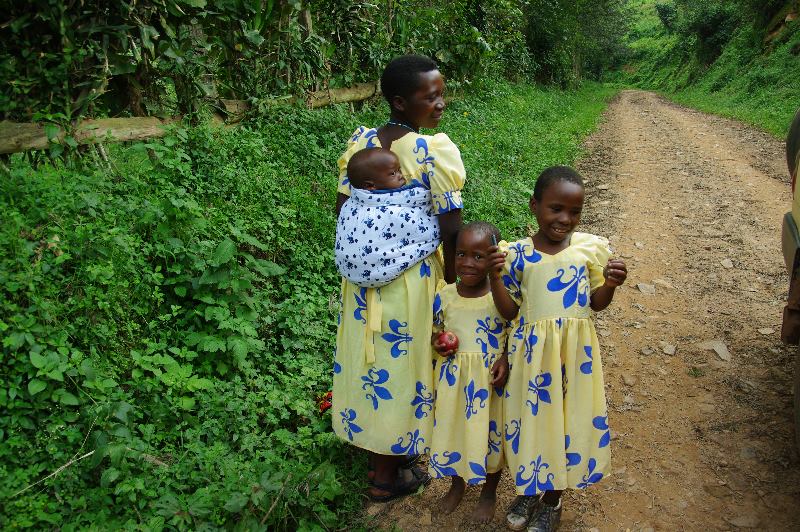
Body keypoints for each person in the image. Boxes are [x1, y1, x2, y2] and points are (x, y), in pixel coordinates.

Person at [331, 54, 465, 502]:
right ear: (400, 102)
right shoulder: (431, 151)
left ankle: (385, 456)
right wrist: (451, 286)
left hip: (362, 283)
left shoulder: (362, 144)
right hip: (411, 280)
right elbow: (450, 227)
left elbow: (344, 209)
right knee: (403, 367)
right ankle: (386, 478)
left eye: (441, 94)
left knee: (371, 363)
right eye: (431, 97)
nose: (441, 103)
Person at [487, 166, 627, 531]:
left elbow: (596, 304)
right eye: (555, 209)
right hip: (532, 359)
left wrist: (610, 284)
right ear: (534, 206)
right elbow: (509, 311)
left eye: (574, 211)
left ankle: (552, 500)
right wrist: (494, 277)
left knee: (566, 421)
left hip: (574, 357)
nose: (565, 218)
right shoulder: (517, 254)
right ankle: (531, 487)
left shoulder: (588, 250)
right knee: (533, 422)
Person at [428, 221, 509, 523]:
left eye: (479, 256)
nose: (468, 263)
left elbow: (512, 333)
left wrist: (505, 359)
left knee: (491, 435)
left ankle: (489, 492)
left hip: (489, 384)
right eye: (461, 254)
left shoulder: (500, 297)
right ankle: (457, 483)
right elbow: (436, 332)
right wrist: (439, 343)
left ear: (494, 258)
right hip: (454, 383)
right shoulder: (445, 295)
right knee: (455, 429)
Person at [334, 147, 440, 288]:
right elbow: (420, 223)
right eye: (393, 173)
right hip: (378, 273)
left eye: (399, 170)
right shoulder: (355, 205)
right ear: (370, 186)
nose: (401, 175)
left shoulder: (350, 201)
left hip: (350, 274)